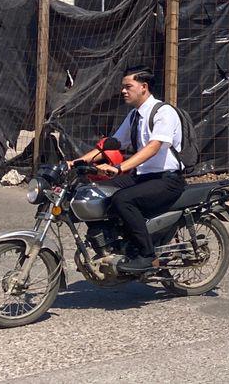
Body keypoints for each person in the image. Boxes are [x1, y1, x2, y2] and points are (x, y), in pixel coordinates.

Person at [75, 65, 185, 273]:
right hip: (142, 177)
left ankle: (146, 255)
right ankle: (117, 244)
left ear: (143, 87)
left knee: (123, 199)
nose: (123, 91)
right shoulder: (134, 115)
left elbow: (154, 147)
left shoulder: (163, 112)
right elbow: (113, 143)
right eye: (122, 87)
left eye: (128, 86)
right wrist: (77, 163)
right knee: (96, 191)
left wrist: (119, 167)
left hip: (167, 179)